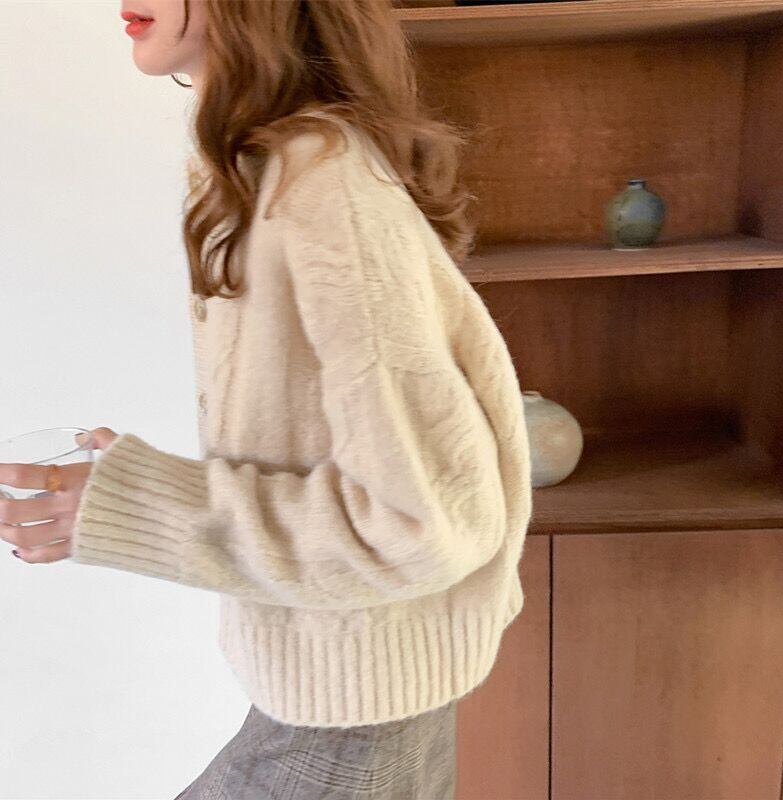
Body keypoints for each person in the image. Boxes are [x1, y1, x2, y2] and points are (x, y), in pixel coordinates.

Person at [0, 1, 533, 797]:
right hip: (344, 695)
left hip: (351, 727)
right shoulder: (269, 166)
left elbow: (422, 521)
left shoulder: (319, 183)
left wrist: (144, 507)